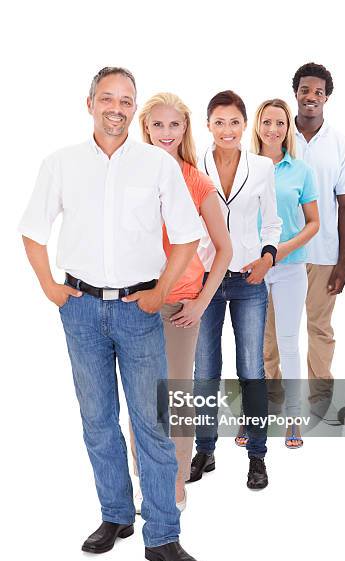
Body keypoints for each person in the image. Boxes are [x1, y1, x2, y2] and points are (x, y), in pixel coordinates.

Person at [18, 67, 206, 561]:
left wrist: (161, 292)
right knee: (98, 421)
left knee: (152, 425)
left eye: (126, 99)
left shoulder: (157, 165)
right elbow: (33, 232)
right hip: (79, 309)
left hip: (138, 309)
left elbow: (188, 237)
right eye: (108, 98)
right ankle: (115, 516)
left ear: (134, 107)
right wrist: (50, 289)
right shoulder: (61, 163)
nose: (117, 107)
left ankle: (163, 535)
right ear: (90, 103)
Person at [129, 92, 232, 511]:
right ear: (146, 128)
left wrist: (203, 301)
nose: (166, 133)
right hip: (135, 302)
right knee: (139, 399)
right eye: (158, 125)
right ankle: (146, 483)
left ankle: (175, 486)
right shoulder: (132, 177)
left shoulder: (197, 182)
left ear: (185, 129)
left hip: (179, 308)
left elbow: (224, 249)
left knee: (174, 400)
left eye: (175, 125)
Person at [189, 90, 282, 490]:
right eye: (219, 122)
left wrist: (267, 257)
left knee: (252, 370)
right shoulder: (193, 166)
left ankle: (257, 456)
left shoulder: (262, 167)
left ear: (245, 126)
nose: (227, 130)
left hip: (248, 280)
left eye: (235, 123)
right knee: (205, 371)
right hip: (205, 280)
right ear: (207, 125)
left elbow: (273, 223)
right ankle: (205, 449)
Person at [264, 63, 345, 423]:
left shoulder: (339, 145)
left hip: (322, 255)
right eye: (306, 90)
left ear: (327, 97)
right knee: (269, 331)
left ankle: (319, 403)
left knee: (319, 328)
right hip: (278, 256)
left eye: (319, 92)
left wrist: (343, 263)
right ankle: (272, 401)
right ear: (296, 93)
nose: (311, 97)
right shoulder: (274, 139)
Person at [251, 98, 319, 447]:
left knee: (289, 343)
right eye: (267, 122)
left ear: (288, 128)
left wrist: (282, 250)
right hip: (251, 269)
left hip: (290, 267)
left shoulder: (301, 171)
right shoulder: (245, 165)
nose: (273, 129)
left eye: (280, 122)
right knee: (254, 348)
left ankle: (293, 418)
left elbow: (313, 224)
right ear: (257, 126)